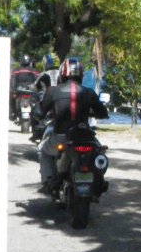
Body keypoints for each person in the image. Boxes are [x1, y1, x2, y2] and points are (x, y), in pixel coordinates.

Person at [33, 57, 109, 193]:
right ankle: (99, 180)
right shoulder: (89, 92)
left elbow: (39, 111)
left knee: (42, 149)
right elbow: (103, 112)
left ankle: (48, 180)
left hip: (61, 137)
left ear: (62, 73)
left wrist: (39, 115)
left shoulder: (53, 91)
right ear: (81, 74)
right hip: (85, 137)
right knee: (100, 152)